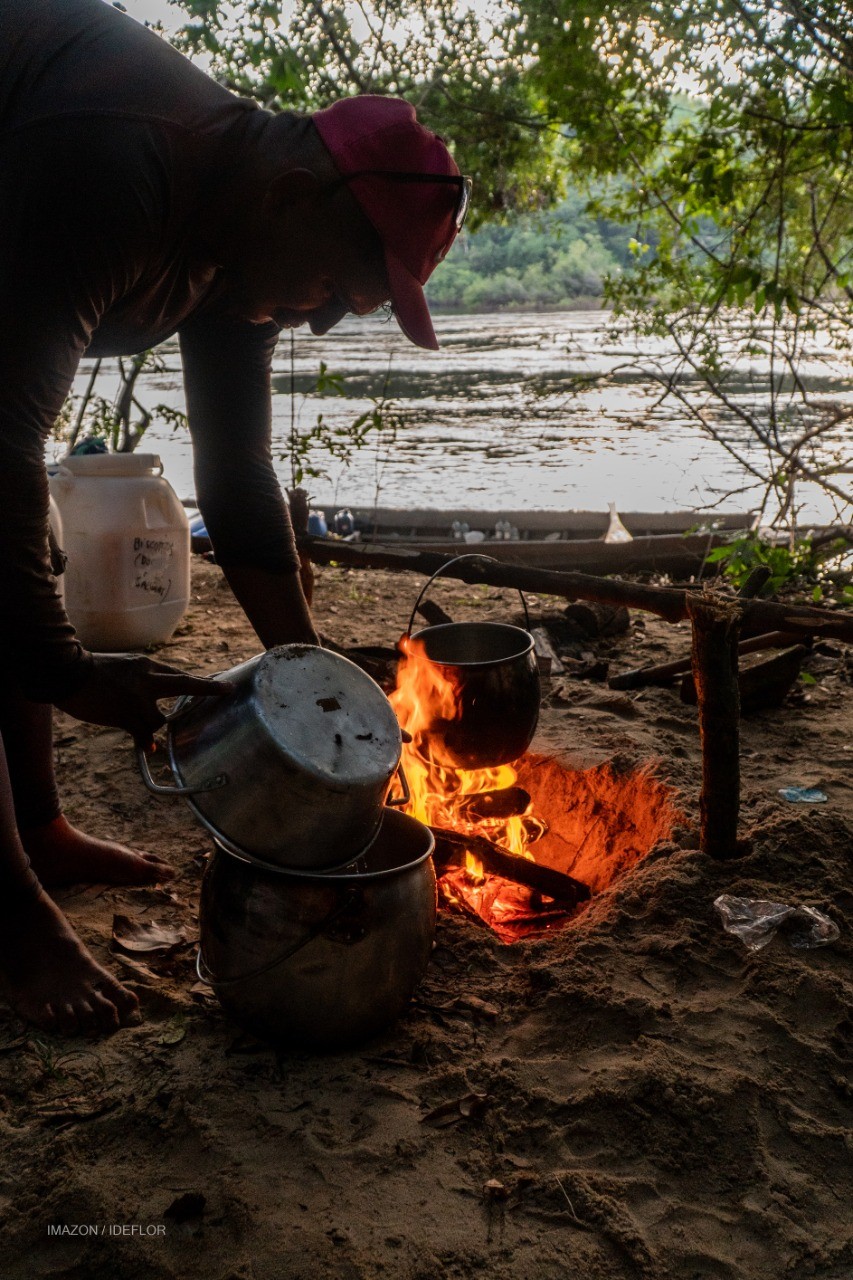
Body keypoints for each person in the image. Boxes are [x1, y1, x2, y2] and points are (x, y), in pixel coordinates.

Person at [0, 0, 470, 1035]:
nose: (316, 317)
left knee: (19, 534)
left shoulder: (240, 245)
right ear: (297, 194)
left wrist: (314, 691)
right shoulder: (122, 166)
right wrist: (70, 672)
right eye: (329, 288)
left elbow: (240, 479)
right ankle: (9, 910)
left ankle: (37, 828)